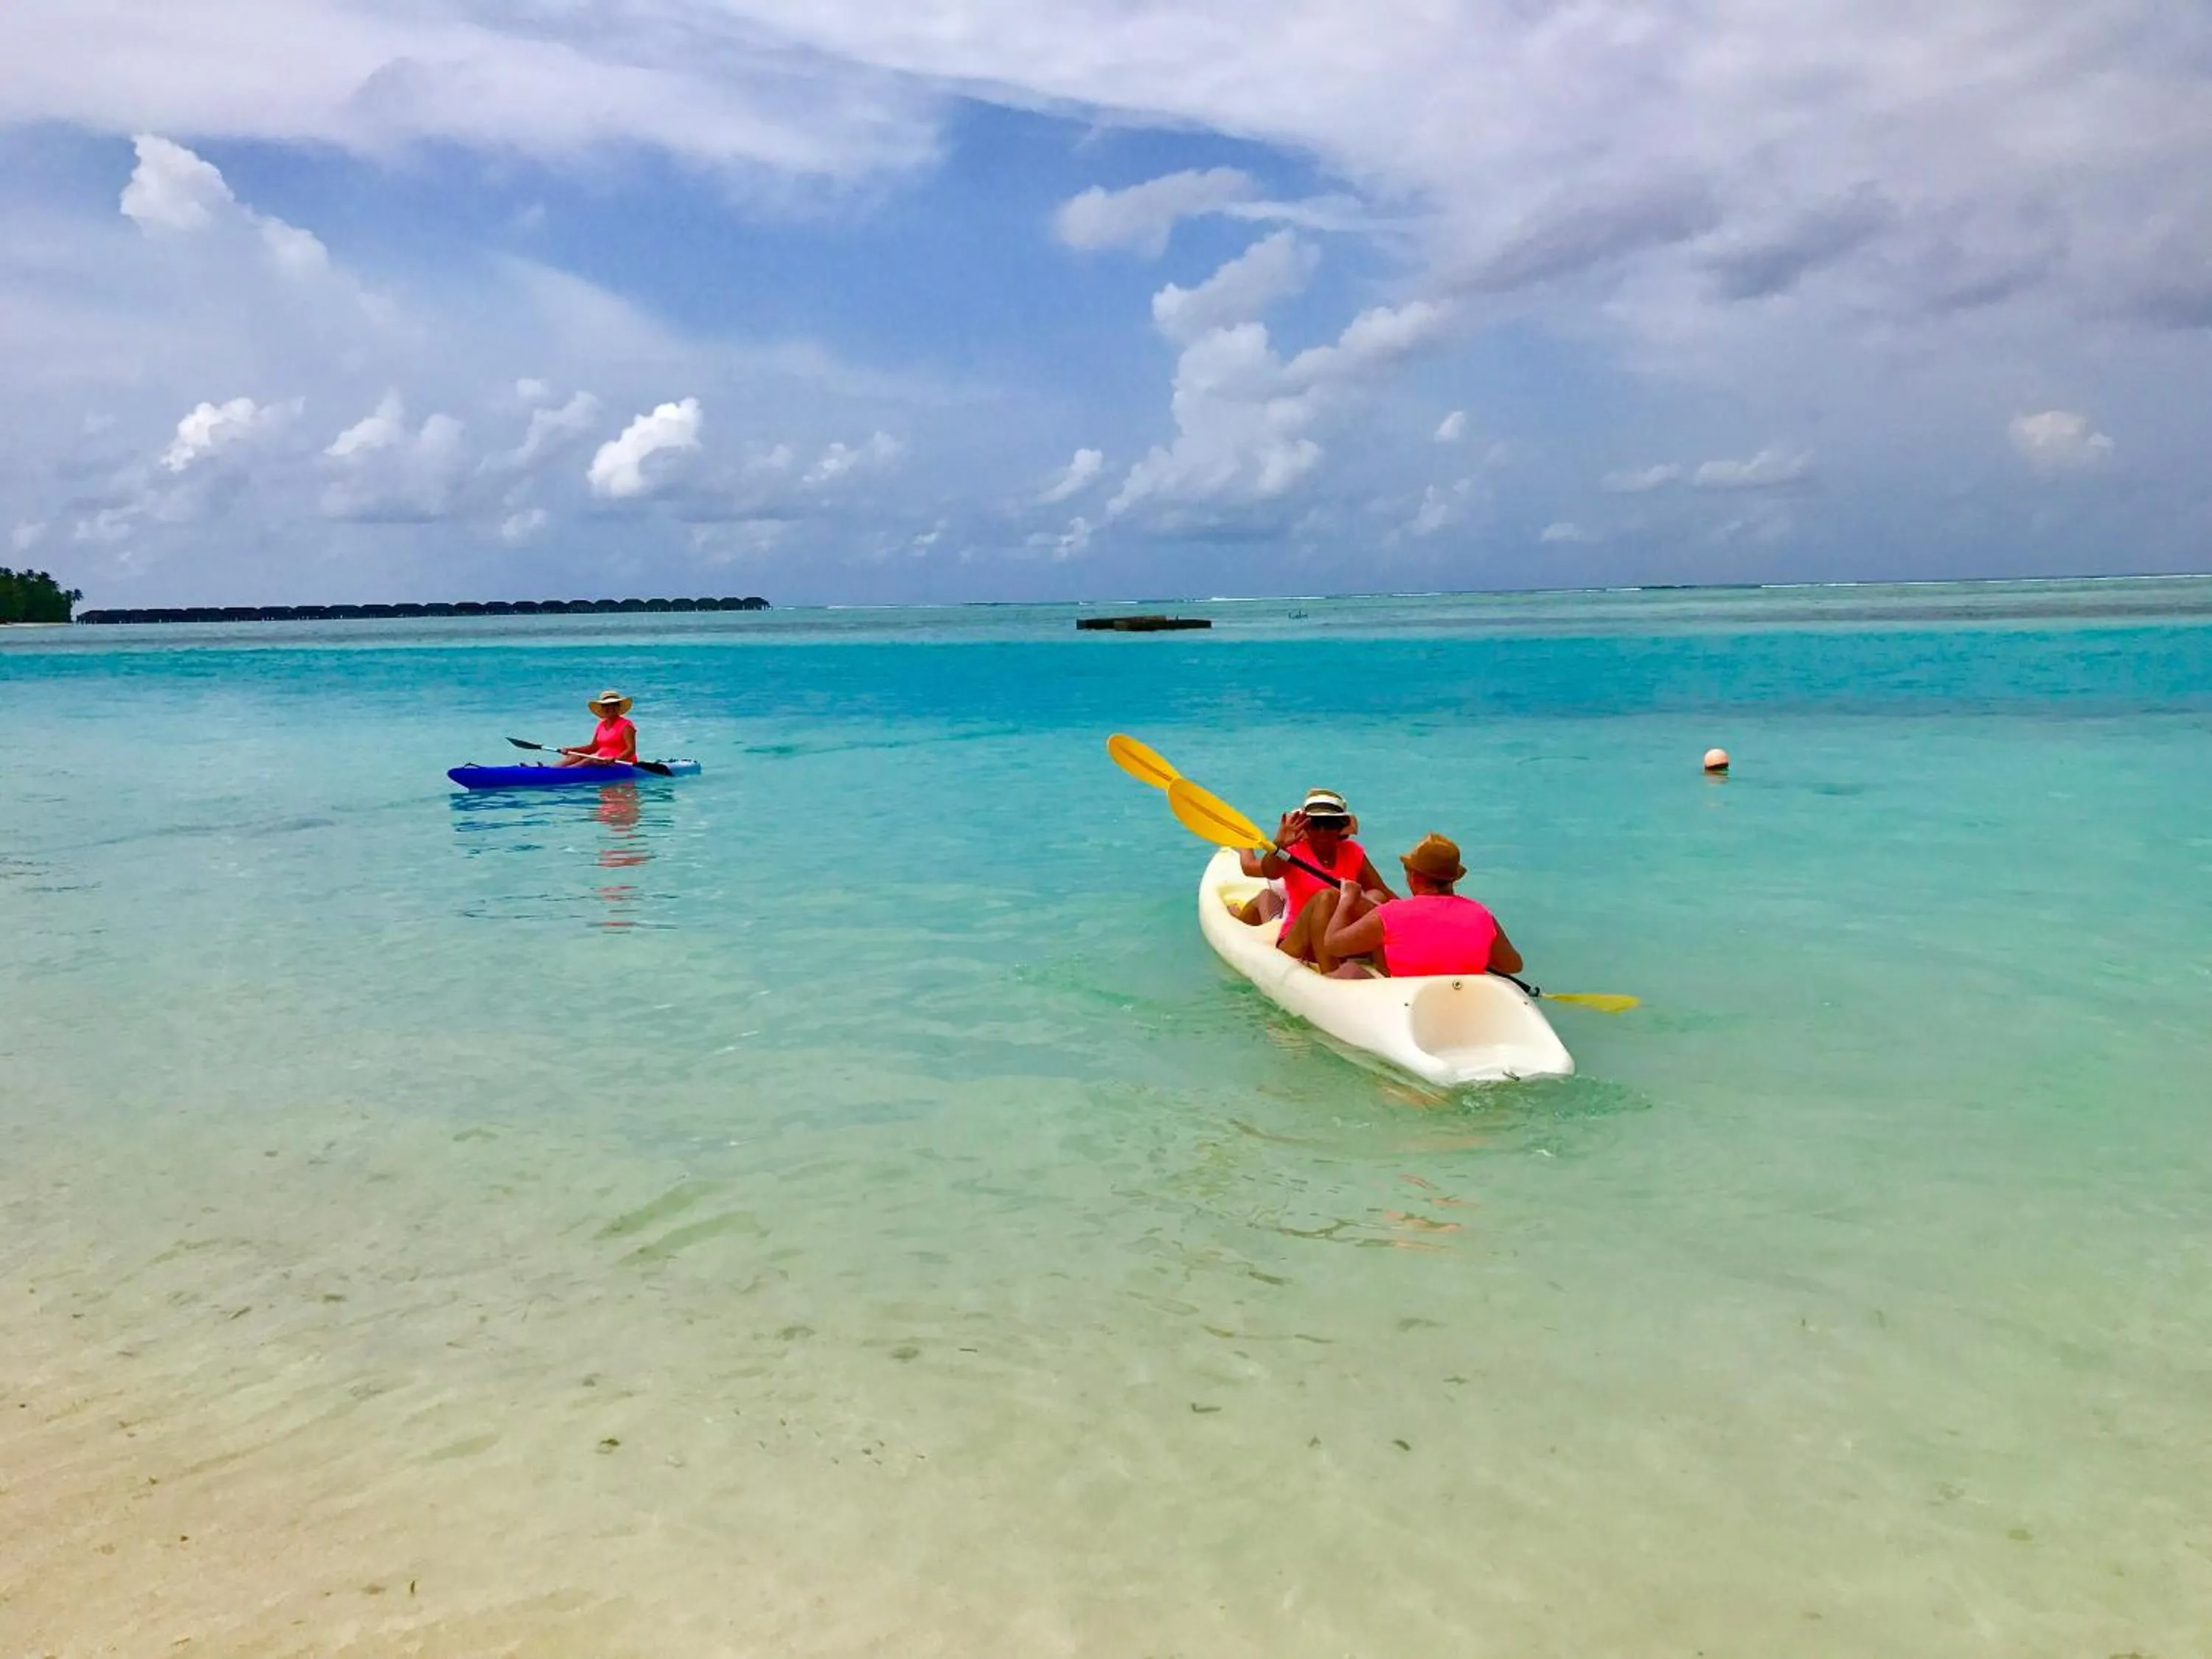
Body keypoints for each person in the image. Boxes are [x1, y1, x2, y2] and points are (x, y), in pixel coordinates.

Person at [1320, 833, 1524, 979]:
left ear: (1415, 877)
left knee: (1350, 971)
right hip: (1463, 998)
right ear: (1452, 879)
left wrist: (1347, 900)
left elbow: (1333, 945)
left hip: (1407, 1001)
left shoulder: (1390, 914)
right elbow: (1513, 965)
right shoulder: (1481, 914)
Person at [1234, 788, 1396, 973]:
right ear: (1306, 827)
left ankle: (1388, 970)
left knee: (1377, 896)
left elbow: (1384, 892)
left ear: (1340, 827)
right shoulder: (1292, 852)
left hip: (1340, 939)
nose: (1322, 832)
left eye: (1329, 825)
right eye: (1315, 825)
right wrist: (1279, 845)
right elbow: (1270, 871)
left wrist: (1418, 911)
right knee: (1326, 897)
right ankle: (1331, 974)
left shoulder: (1352, 852)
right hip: (1300, 942)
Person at [560, 689, 639, 766]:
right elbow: (593, 748)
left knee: (589, 760)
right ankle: (552, 771)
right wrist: (572, 750)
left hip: (620, 762)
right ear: (602, 708)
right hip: (601, 760)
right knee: (574, 757)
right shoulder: (601, 725)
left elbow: (631, 750)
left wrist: (616, 759)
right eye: (606, 705)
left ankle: (563, 774)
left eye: (614, 704)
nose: (610, 707)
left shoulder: (627, 725)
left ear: (619, 707)